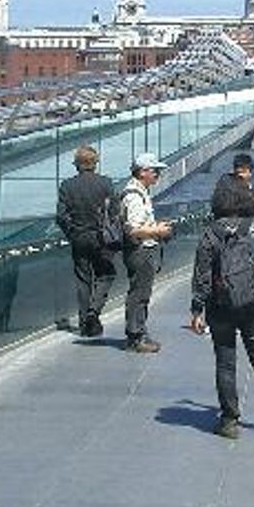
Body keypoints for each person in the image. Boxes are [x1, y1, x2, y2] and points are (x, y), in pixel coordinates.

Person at [189, 184, 254, 438]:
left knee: (225, 362)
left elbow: (202, 273)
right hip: (253, 303)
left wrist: (197, 309)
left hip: (220, 305)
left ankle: (230, 421)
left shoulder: (212, 231)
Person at [56, 145, 117, 337]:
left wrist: (72, 234)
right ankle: (94, 311)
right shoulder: (106, 183)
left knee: (83, 280)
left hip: (79, 238)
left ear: (77, 165)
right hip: (101, 238)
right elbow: (115, 213)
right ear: (95, 163)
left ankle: (85, 325)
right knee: (106, 274)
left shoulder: (67, 185)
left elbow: (61, 216)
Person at [121, 152, 173, 352]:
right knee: (140, 294)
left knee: (141, 293)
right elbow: (133, 229)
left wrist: (154, 227)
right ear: (143, 172)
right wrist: (157, 231)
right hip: (140, 251)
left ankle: (139, 333)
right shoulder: (134, 196)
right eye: (155, 171)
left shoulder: (140, 191)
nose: (158, 175)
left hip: (141, 250)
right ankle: (136, 336)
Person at [211, 152, 254, 218]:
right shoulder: (228, 184)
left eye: (243, 172)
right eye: (239, 173)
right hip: (234, 222)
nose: (241, 176)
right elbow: (226, 206)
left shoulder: (226, 182)